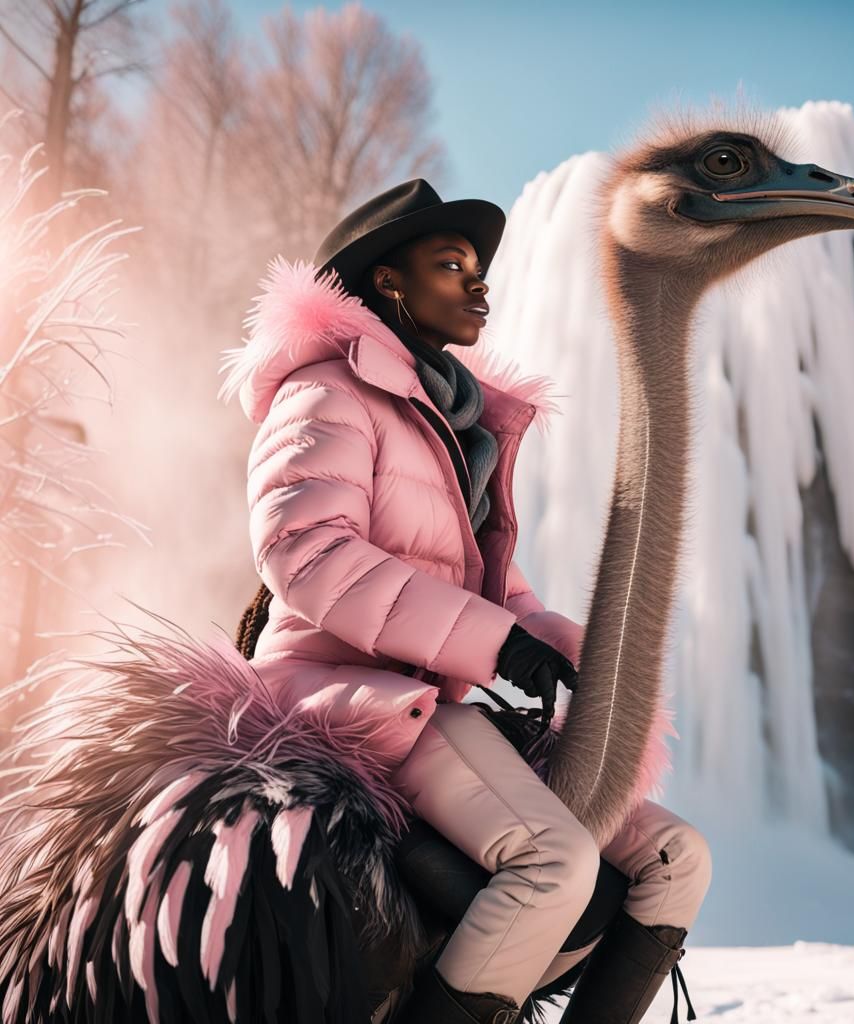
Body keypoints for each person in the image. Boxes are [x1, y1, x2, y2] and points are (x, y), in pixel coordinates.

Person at [233, 179, 712, 1024]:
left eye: (481, 268)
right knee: (553, 863)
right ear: (387, 282)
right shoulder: (326, 393)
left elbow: (491, 589)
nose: (480, 285)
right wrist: (497, 648)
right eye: (452, 265)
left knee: (678, 855)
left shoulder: (458, 426)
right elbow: (307, 552)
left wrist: (566, 653)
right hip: (342, 695)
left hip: (435, 704)